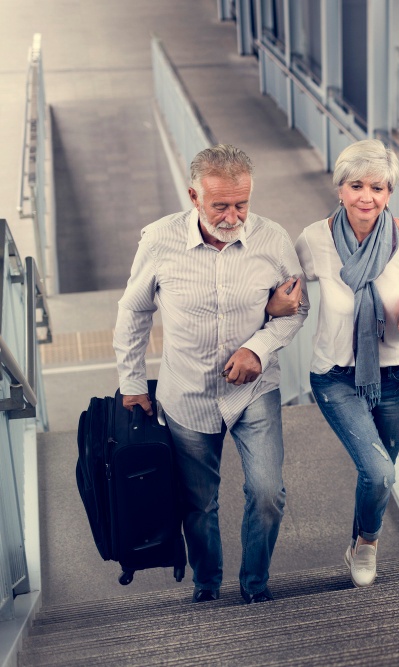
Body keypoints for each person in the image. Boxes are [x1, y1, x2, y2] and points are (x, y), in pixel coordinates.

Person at [113, 144, 307, 604]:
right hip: (188, 393)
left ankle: (255, 586)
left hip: (254, 390)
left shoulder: (273, 239)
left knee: (267, 492)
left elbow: (298, 309)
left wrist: (257, 348)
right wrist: (132, 382)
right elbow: (133, 312)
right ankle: (207, 585)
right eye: (220, 205)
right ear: (194, 196)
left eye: (242, 203)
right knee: (199, 504)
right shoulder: (159, 240)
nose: (233, 215)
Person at [267, 138, 399, 588]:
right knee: (380, 470)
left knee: (377, 478)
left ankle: (359, 538)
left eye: (378, 187)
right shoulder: (316, 240)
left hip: (396, 373)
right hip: (336, 376)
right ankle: (369, 545)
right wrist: (274, 310)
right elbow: (284, 291)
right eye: (356, 185)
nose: (367, 197)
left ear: (389, 192)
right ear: (339, 188)